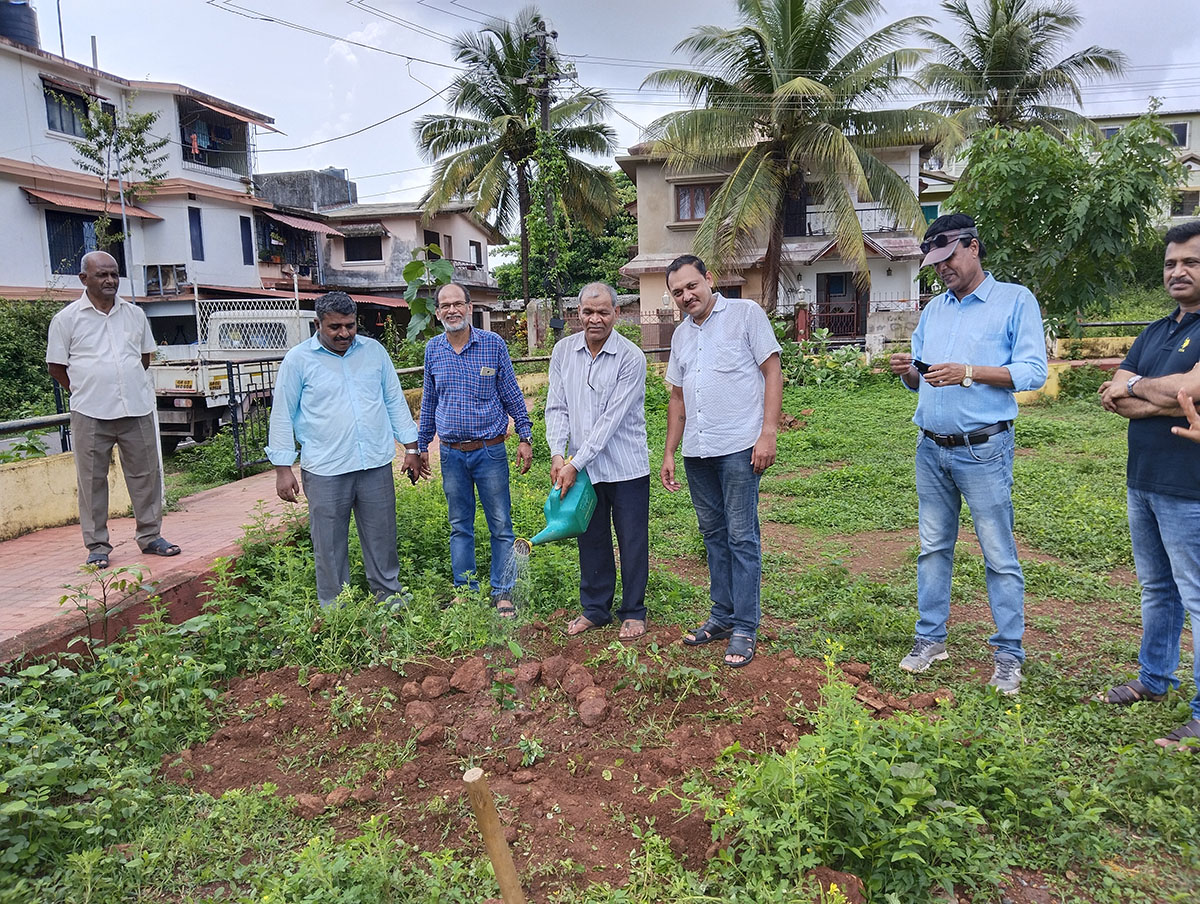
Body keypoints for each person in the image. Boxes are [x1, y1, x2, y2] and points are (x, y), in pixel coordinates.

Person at [888, 213, 1047, 695]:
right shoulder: (935, 310)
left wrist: (970, 372)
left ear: (973, 247)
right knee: (933, 548)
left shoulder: (1014, 301)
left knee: (998, 554)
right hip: (931, 449)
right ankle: (930, 639)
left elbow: (1033, 371)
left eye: (948, 258)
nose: (942, 269)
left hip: (984, 450)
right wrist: (908, 372)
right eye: (934, 263)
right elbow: (923, 374)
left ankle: (1008, 655)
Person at [1095, 220, 1200, 751]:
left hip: (1191, 488)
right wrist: (1159, 393)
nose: (1178, 271)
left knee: (1198, 597)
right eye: (1170, 263)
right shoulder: (1157, 331)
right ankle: (1155, 679)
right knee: (1157, 589)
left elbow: (1192, 386)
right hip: (1144, 480)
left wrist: (1142, 389)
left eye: (1191, 262)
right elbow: (1114, 395)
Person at [661, 255, 782, 668]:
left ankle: (746, 625)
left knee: (742, 537)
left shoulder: (745, 315)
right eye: (677, 292)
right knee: (713, 536)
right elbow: (677, 398)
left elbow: (772, 371)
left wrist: (768, 432)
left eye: (692, 286)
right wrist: (670, 451)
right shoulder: (680, 336)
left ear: (709, 279)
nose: (686, 296)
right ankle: (722, 616)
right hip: (698, 451)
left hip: (739, 448)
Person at [266, 291, 419, 608]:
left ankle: (389, 596)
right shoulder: (298, 361)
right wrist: (283, 468)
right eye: (335, 327)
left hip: (374, 463)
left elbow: (393, 400)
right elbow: (282, 413)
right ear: (317, 323)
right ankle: (336, 607)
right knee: (329, 544)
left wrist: (411, 447)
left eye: (349, 325)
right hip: (325, 469)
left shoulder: (374, 352)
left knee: (382, 536)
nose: (344, 334)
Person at [46, 251, 180, 568]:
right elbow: (56, 366)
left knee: (146, 476)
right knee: (92, 481)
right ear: (84, 279)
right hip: (90, 411)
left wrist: (124, 382)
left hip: (136, 408)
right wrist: (84, 389)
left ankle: (150, 537)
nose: (109, 280)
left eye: (114, 274)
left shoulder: (134, 315)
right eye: (102, 275)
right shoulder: (66, 319)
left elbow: (144, 358)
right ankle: (97, 546)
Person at [417, 283, 533, 617]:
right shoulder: (433, 350)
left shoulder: (492, 345)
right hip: (452, 454)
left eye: (457, 304)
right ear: (437, 312)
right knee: (460, 525)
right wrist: (422, 444)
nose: (451, 310)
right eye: (444, 305)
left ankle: (503, 592)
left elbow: (512, 394)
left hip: (490, 451)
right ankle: (465, 592)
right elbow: (429, 401)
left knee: (500, 524)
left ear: (470, 307)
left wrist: (525, 437)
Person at [546, 283, 650, 640]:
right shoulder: (563, 352)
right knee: (590, 537)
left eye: (603, 312)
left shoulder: (631, 357)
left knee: (632, 538)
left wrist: (574, 463)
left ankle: (634, 611)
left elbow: (611, 420)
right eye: (588, 312)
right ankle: (595, 609)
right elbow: (556, 407)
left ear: (616, 314)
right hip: (583, 469)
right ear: (578, 313)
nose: (595, 319)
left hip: (626, 467)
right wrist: (558, 454)